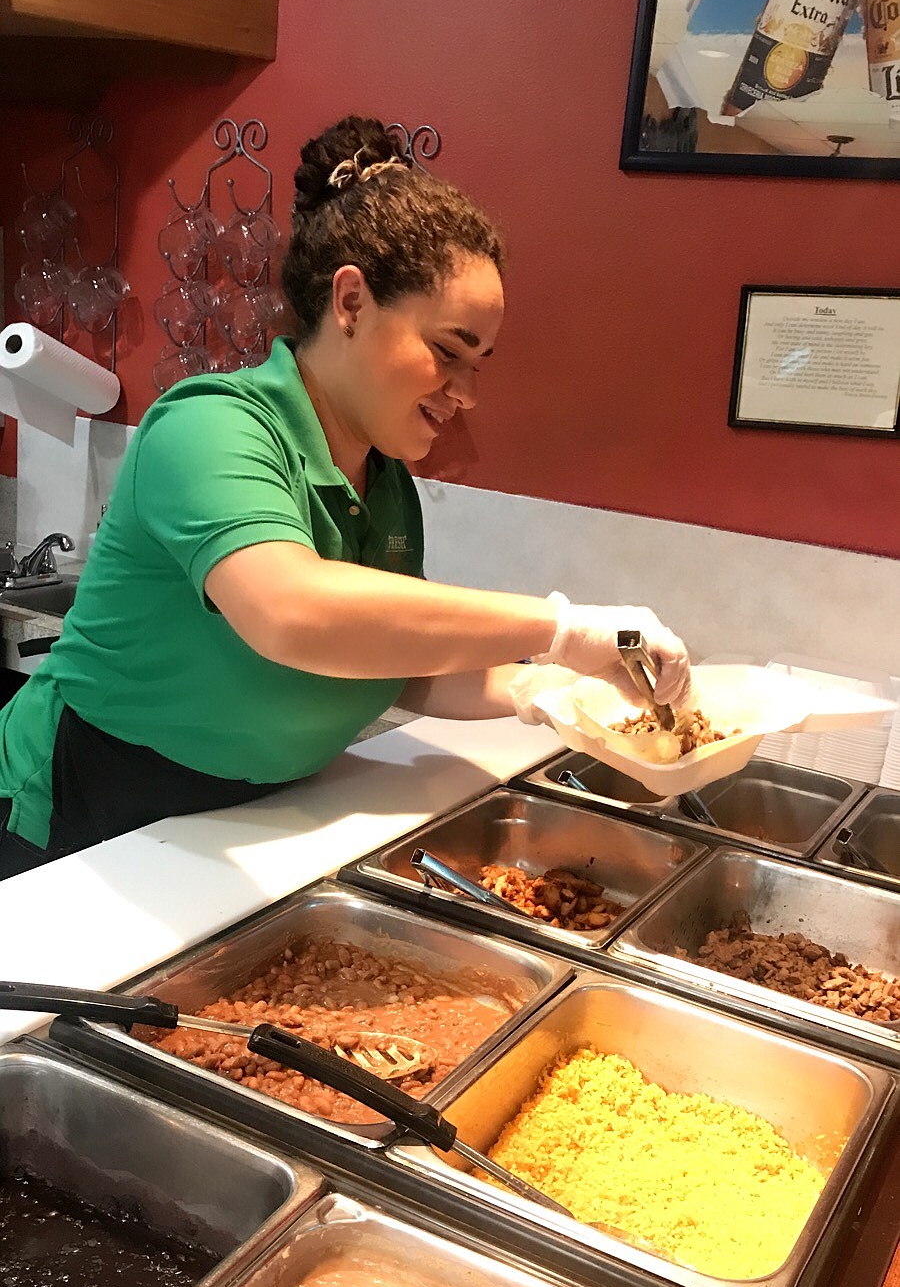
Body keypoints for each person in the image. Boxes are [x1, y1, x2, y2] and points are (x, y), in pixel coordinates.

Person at [0, 114, 691, 880]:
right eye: (447, 351)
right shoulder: (210, 425)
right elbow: (294, 611)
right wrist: (561, 626)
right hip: (76, 814)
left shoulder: (383, 479)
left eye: (480, 364)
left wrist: (548, 690)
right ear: (352, 303)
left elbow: (393, 658)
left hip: (233, 832)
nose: (465, 393)